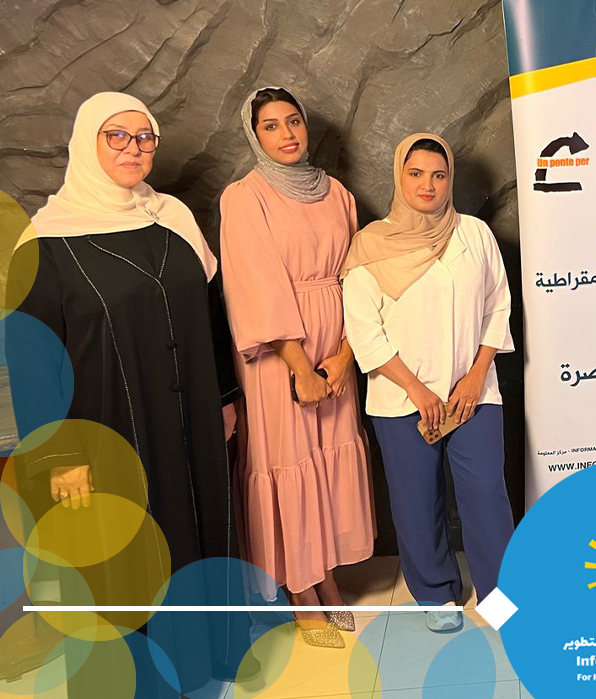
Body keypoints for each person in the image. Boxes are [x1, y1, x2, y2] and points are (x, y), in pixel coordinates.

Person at [9, 92, 248, 695]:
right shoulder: (45, 242)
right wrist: (59, 455)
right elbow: (32, 358)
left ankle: (205, 659)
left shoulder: (173, 218)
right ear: (86, 143)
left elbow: (212, 314)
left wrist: (225, 398)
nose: (133, 149)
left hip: (189, 415)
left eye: (144, 137)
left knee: (197, 527)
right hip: (106, 427)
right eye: (116, 136)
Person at [219, 86, 375, 648]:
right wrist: (301, 367)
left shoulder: (338, 193)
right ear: (254, 134)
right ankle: (300, 590)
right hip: (279, 353)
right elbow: (254, 284)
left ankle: (325, 574)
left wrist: (345, 355)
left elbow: (359, 276)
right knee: (287, 459)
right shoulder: (244, 197)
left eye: (293, 121)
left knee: (327, 457)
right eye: (270, 125)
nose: (286, 134)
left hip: (336, 346)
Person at [341, 132, 515, 632]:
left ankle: (500, 594)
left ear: (450, 180)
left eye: (439, 175)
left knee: (486, 492)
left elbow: (497, 305)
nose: (428, 185)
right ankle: (436, 593)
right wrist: (417, 391)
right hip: (402, 398)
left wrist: (475, 376)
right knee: (416, 500)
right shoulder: (371, 245)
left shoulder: (474, 234)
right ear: (399, 176)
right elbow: (364, 329)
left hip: (471, 393)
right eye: (416, 173)